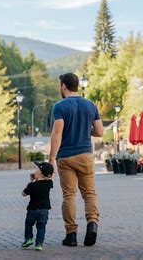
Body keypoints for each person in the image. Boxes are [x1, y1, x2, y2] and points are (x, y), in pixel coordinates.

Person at [49, 73, 104, 247]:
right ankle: (92, 224)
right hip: (85, 155)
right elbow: (99, 132)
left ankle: (71, 235)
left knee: (69, 195)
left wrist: (51, 159)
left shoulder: (60, 107)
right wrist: (84, 131)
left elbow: (57, 133)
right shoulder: (90, 105)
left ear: (64, 86)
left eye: (60, 85)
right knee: (89, 193)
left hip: (66, 157)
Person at [22, 162, 54, 251]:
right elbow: (50, 177)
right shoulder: (49, 183)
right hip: (44, 209)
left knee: (28, 224)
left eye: (36, 170)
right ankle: (39, 244)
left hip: (33, 209)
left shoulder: (32, 185)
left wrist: (31, 181)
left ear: (40, 173)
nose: (34, 171)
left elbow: (23, 194)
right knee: (41, 226)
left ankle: (28, 239)